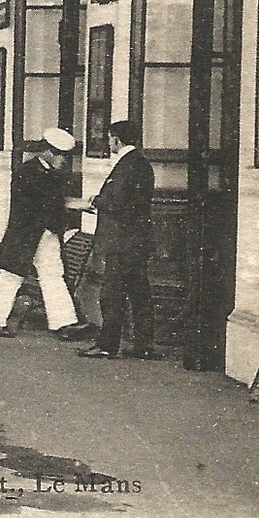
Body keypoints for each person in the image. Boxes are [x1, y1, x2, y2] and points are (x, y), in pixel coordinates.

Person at [0, 128, 89, 338]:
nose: (64, 161)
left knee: (53, 275)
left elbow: (54, 202)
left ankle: (63, 323)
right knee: (12, 277)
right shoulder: (28, 172)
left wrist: (78, 205)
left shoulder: (51, 174)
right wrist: (74, 205)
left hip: (45, 234)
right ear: (49, 153)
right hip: (25, 234)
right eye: (62, 156)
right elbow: (44, 204)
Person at [80, 121, 159, 359]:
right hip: (135, 242)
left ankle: (107, 345)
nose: (108, 142)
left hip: (123, 243)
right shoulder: (138, 164)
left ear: (117, 139)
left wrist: (97, 201)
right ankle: (143, 345)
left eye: (110, 138)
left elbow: (120, 203)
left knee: (112, 296)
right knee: (138, 294)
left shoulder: (128, 165)